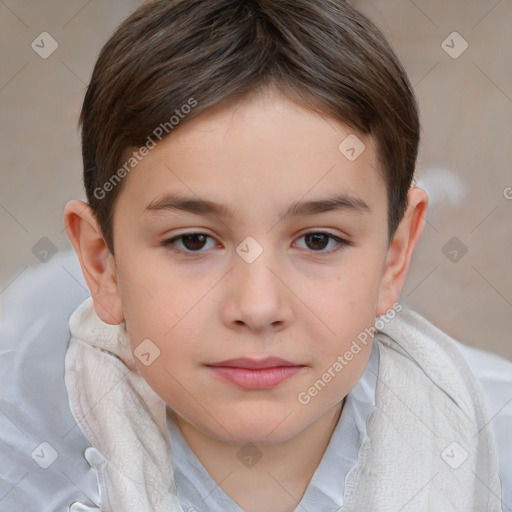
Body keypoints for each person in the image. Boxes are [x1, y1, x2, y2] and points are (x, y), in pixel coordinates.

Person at [1, 0, 511, 511]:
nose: (259, 306)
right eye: (193, 241)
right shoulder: (23, 468)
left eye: (318, 240)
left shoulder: (495, 438)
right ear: (101, 264)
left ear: (394, 255)